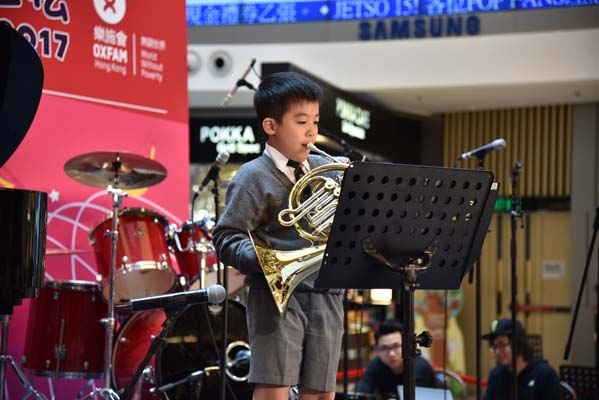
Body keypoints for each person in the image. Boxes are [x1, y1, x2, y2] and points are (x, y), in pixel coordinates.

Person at [212, 71, 345, 400]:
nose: (311, 131)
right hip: (276, 297)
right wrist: (269, 262)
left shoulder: (326, 171)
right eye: (301, 122)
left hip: (326, 292)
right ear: (271, 126)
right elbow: (226, 237)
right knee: (274, 389)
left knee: (321, 392)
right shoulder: (253, 176)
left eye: (315, 121)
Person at [482, 318, 564, 400]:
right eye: (494, 347)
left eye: (502, 345)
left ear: (519, 343)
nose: (497, 352)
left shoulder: (544, 375)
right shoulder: (496, 376)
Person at [356, 319, 437, 397]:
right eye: (384, 348)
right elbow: (361, 393)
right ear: (376, 350)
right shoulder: (375, 364)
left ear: (406, 346)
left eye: (396, 346)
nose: (391, 354)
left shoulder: (419, 367)